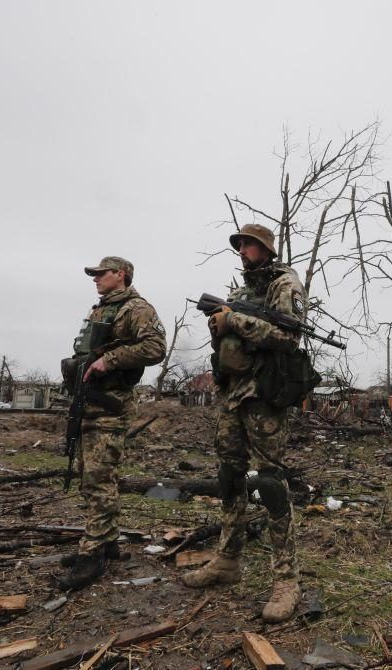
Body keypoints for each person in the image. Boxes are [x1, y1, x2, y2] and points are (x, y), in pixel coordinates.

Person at [182, 224, 306, 622]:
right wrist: (220, 326)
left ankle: (286, 580)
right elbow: (226, 336)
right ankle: (227, 560)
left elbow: (290, 337)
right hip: (233, 393)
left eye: (249, 245)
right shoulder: (238, 292)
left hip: (265, 395)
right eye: (239, 245)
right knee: (229, 476)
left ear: (266, 249)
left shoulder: (285, 283)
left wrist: (236, 323)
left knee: (270, 481)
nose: (242, 250)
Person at [58, 256, 166, 590]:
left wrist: (111, 359)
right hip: (90, 402)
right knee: (94, 477)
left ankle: (92, 555)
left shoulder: (136, 308)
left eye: (100, 273)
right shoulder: (100, 308)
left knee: (98, 480)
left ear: (120, 275)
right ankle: (107, 543)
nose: (95, 279)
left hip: (110, 406)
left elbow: (155, 347)